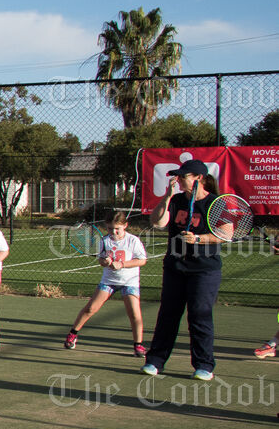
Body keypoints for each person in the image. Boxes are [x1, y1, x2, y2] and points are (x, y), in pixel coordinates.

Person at [144, 159, 226, 380]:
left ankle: (204, 365)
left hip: (204, 270)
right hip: (175, 267)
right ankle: (155, 361)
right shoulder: (177, 199)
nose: (178, 180)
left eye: (183, 176)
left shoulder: (216, 203)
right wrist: (167, 197)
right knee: (167, 315)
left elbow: (226, 233)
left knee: (199, 316)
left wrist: (199, 238)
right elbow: (157, 222)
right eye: (177, 176)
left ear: (198, 178)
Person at [64, 213, 149, 356]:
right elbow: (101, 260)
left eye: (117, 229)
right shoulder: (104, 241)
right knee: (90, 308)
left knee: (134, 314)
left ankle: (138, 345)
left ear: (125, 226)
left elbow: (142, 260)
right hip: (109, 281)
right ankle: (72, 334)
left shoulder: (133, 241)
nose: (113, 232)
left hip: (130, 282)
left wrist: (122, 264)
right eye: (110, 229)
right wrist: (105, 262)